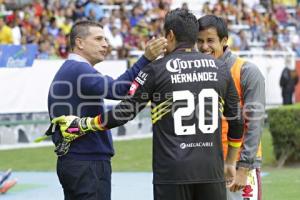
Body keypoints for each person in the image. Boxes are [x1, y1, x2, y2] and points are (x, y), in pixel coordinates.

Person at [52, 9, 244, 200]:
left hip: (172, 172)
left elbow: (124, 111)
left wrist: (85, 124)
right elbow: (236, 119)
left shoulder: (155, 70)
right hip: (211, 171)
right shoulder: (221, 68)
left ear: (169, 35)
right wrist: (230, 161)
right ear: (195, 36)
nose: (105, 44)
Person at [47, 20, 167, 200]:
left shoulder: (72, 69)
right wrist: (146, 59)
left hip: (77, 161)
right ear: (79, 42)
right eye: (98, 39)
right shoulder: (78, 69)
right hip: (87, 162)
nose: (106, 44)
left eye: (105, 39)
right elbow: (119, 89)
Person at [197, 15, 265, 200]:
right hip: (206, 165)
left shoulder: (246, 71)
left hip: (237, 165)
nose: (204, 47)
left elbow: (255, 124)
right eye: (199, 41)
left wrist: (244, 167)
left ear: (224, 40)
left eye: (210, 40)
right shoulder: (196, 72)